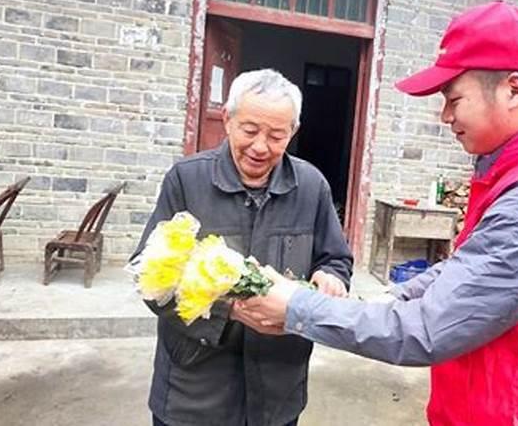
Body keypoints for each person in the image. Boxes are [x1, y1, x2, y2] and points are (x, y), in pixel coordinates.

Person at [235, 0, 518, 425]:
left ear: (513, 89)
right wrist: (386, 299)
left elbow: (426, 330)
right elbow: (468, 270)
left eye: (454, 99)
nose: (446, 116)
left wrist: (297, 308)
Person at [130, 69, 353, 426]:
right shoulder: (186, 180)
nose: (261, 147)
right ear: (227, 121)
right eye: (250, 131)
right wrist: (229, 312)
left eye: (277, 135)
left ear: (292, 132)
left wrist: (331, 277)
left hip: (277, 392)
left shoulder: (312, 187)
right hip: (193, 392)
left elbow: (336, 258)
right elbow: (149, 281)